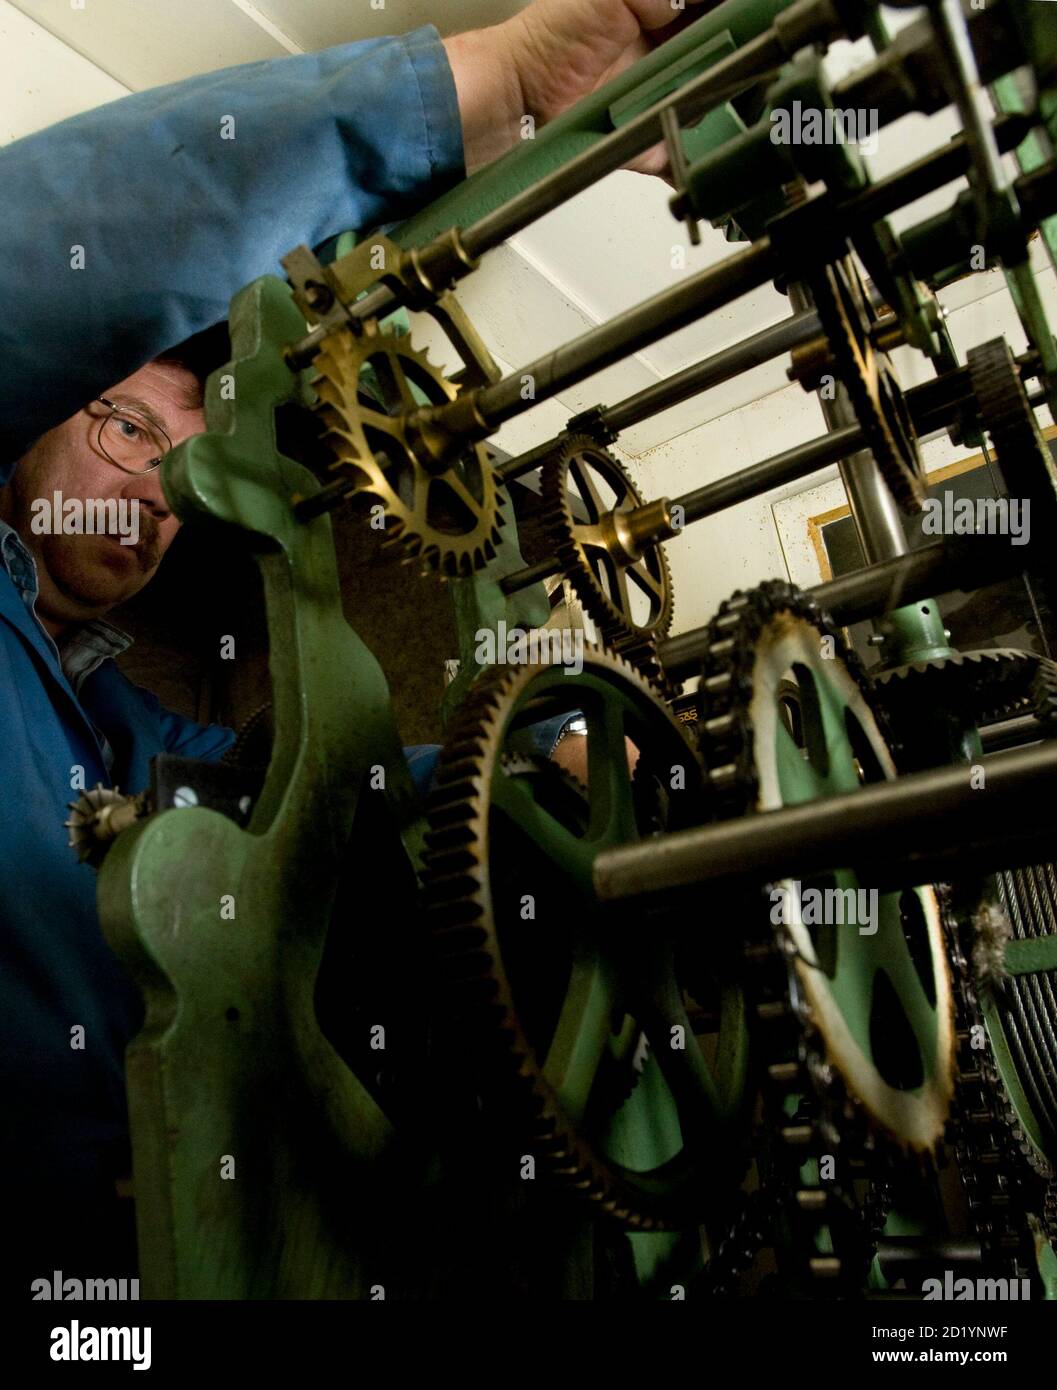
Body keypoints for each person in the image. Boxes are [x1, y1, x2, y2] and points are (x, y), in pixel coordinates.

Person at [0, 0, 713, 1294]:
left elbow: (312, 792)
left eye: (188, 462)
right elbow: (41, 257)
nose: (160, 495)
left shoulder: (120, 728)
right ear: (31, 416)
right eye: (125, 431)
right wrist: (490, 84)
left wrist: (529, 758)